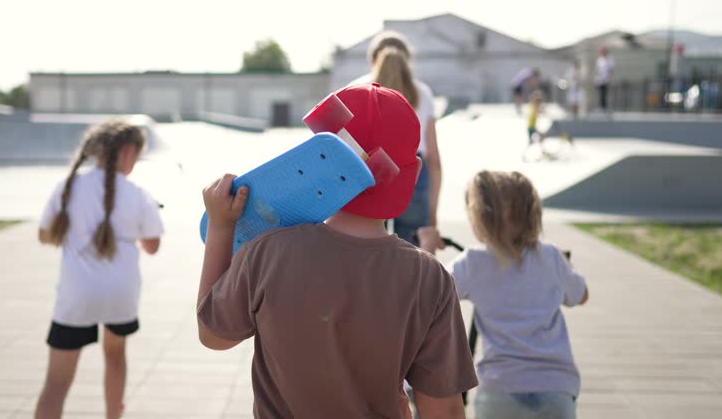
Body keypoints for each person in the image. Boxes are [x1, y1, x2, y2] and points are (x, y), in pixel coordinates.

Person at [197, 83, 478, 418]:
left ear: (314, 156)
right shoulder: (428, 277)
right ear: (410, 174)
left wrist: (220, 227)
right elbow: (442, 409)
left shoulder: (267, 253)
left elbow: (213, 334)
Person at [34, 119, 164, 419]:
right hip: (120, 293)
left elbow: (44, 236)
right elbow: (152, 246)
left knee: (56, 382)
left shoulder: (68, 187)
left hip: (75, 295)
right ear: (129, 153)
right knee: (115, 356)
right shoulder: (138, 193)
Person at [451, 170, 588, 419]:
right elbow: (582, 295)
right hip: (555, 387)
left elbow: (431, 292)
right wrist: (568, 271)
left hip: (500, 389)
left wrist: (426, 248)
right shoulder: (551, 257)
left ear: (479, 217)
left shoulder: (472, 262)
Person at [350, 30, 445, 252]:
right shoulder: (423, 94)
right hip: (413, 173)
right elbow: (434, 160)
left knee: (369, 253)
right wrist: (432, 216)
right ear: (408, 60)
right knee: (411, 256)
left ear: (372, 59)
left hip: (368, 173)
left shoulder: (357, 90)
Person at [595, 47, 614, 113]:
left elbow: (611, 69)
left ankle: (607, 108)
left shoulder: (610, 59)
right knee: (601, 93)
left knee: (606, 94)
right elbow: (597, 70)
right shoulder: (599, 60)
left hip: (606, 79)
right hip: (600, 79)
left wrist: (609, 78)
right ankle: (602, 107)